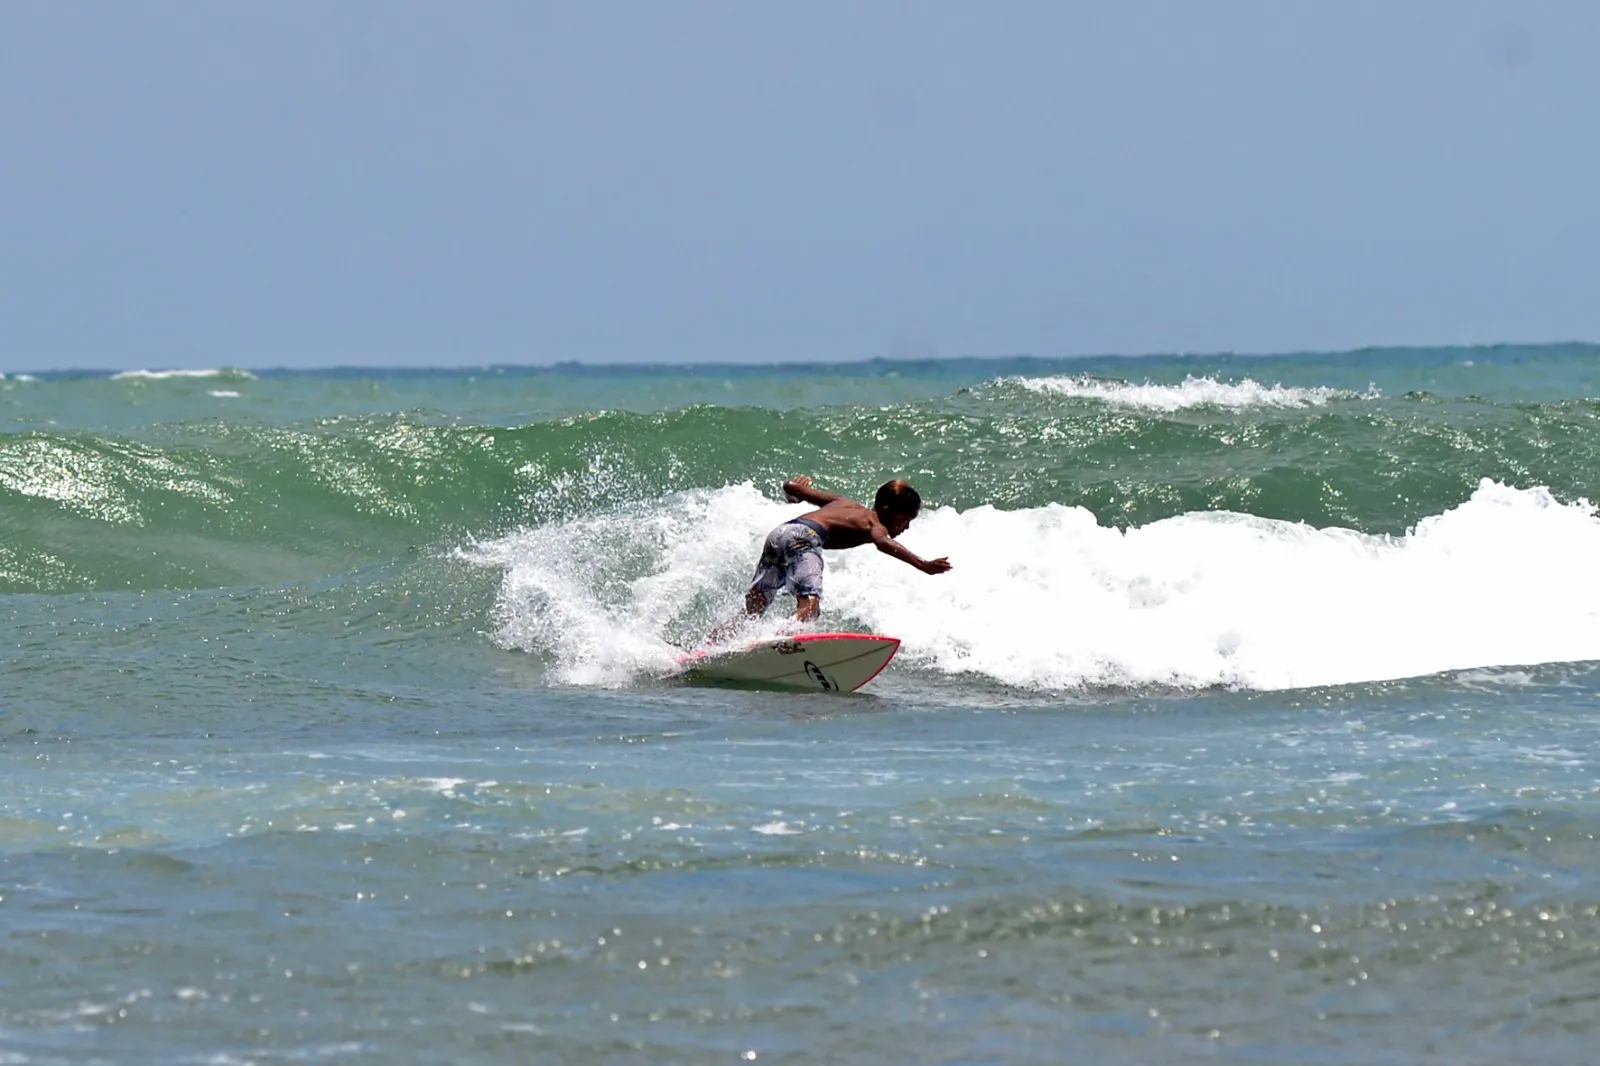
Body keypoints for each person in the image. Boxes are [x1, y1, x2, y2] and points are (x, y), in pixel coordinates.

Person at [711, 475, 952, 640]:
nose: (906, 527)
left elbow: (792, 487)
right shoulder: (875, 523)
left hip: (780, 533)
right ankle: (779, 642)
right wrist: (922, 564)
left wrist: (794, 493)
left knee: (754, 608)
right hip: (804, 538)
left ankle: (714, 643)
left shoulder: (843, 502)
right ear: (887, 511)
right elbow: (882, 542)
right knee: (810, 607)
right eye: (905, 520)